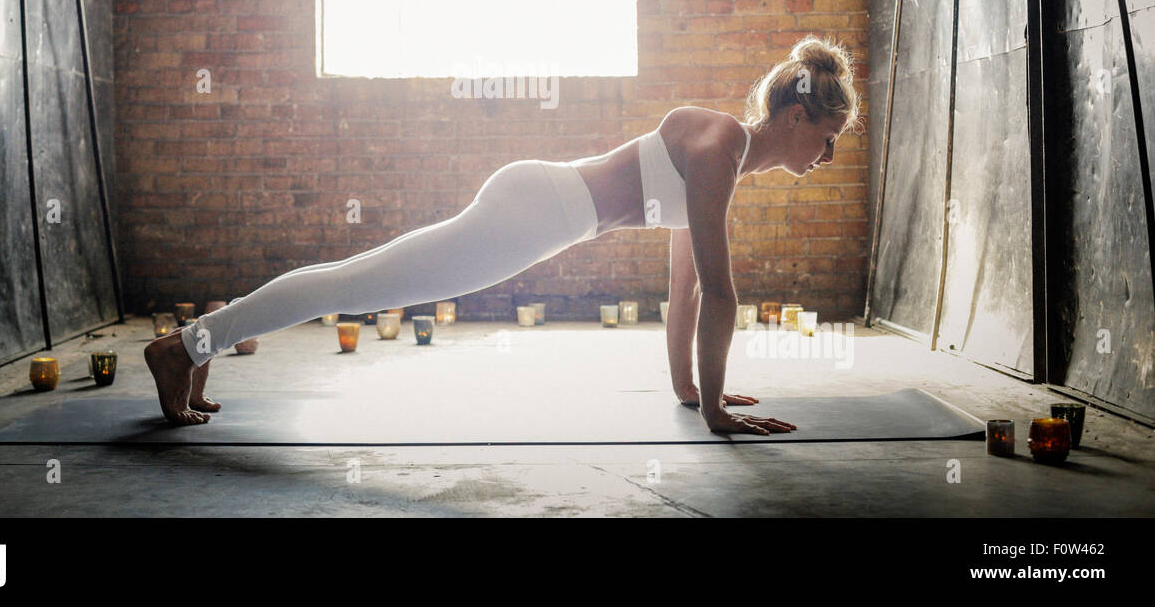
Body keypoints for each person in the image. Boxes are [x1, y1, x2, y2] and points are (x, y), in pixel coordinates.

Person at [146, 34, 860, 435]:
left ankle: (200, 341)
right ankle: (182, 348)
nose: (825, 158)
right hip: (534, 213)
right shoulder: (721, 146)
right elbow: (722, 292)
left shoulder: (723, 158)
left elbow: (685, 290)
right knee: (360, 283)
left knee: (360, 275)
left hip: (537, 207)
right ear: (797, 119)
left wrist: (692, 390)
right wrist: (714, 413)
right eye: (828, 140)